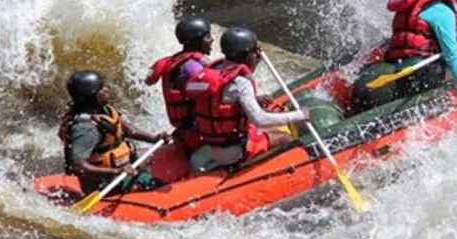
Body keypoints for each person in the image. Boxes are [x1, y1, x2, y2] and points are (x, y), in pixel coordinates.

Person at [186, 27, 310, 169]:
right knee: (285, 138)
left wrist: (255, 57)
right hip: (234, 151)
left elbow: (229, 97)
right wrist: (299, 115)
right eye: (254, 52)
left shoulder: (215, 71)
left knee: (272, 131)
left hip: (214, 144)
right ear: (246, 54)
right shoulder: (241, 82)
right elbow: (260, 119)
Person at [59, 70, 169, 195]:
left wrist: (154, 138)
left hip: (120, 169)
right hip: (106, 183)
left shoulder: (104, 110)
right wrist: (115, 171)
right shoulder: (86, 129)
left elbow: (128, 130)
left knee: (149, 157)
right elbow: (78, 166)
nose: (108, 89)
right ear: (92, 96)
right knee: (155, 185)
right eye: (102, 88)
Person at [145, 15, 213, 155]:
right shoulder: (191, 67)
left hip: (187, 130)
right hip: (198, 134)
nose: (212, 40)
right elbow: (213, 93)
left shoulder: (180, 62)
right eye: (208, 37)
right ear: (197, 41)